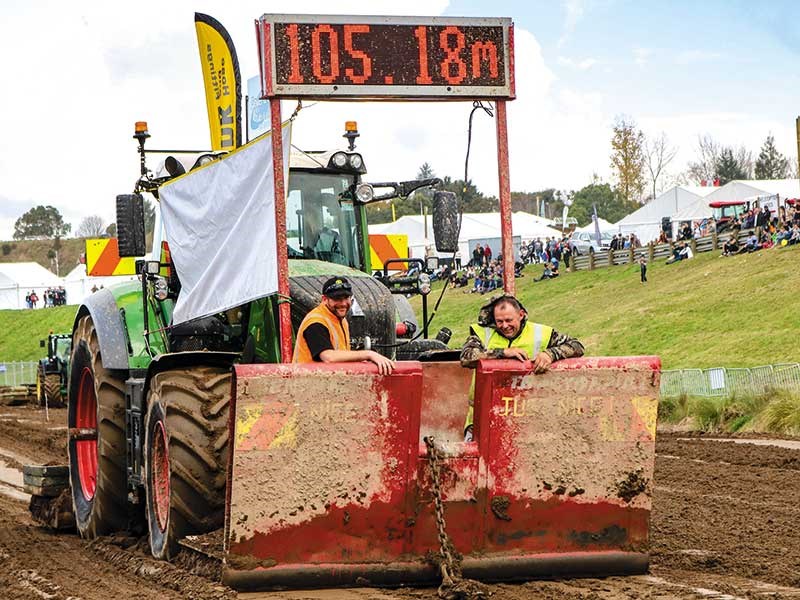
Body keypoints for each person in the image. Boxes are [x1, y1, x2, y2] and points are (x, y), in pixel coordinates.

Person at [460, 295, 585, 441]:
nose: (504, 326)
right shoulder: (482, 333)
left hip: (528, 419)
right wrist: (502, 352)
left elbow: (577, 346)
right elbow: (466, 356)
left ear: (521, 315)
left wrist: (550, 354)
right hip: (483, 417)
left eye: (509, 320)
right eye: (499, 321)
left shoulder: (541, 333)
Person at [293, 277, 394, 374]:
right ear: (324, 299)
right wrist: (368, 354)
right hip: (308, 384)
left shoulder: (340, 320)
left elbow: (340, 355)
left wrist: (355, 362)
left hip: (327, 381)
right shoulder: (315, 322)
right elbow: (328, 357)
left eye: (346, 298)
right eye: (337, 299)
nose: (343, 303)